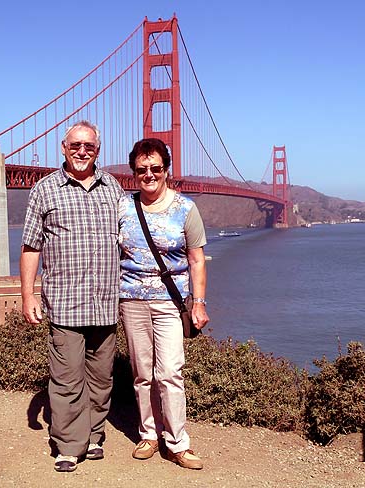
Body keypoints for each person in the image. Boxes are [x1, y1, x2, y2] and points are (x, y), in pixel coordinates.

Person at [20, 120, 125, 473]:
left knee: (100, 377)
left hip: (107, 302)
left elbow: (132, 240)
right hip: (65, 303)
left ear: (98, 150)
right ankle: (68, 444)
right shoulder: (45, 189)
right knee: (66, 378)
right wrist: (27, 295)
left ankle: (94, 435)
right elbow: (31, 246)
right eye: (75, 145)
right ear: (63, 148)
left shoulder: (113, 188)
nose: (82, 151)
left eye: (89, 146)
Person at [118, 137, 209, 470]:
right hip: (131, 300)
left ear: (167, 170)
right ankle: (149, 435)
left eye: (156, 168)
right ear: (133, 173)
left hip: (170, 302)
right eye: (142, 169)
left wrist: (198, 303)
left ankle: (178, 442)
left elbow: (197, 260)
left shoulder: (186, 208)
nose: (149, 174)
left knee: (170, 372)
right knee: (142, 373)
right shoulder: (123, 207)